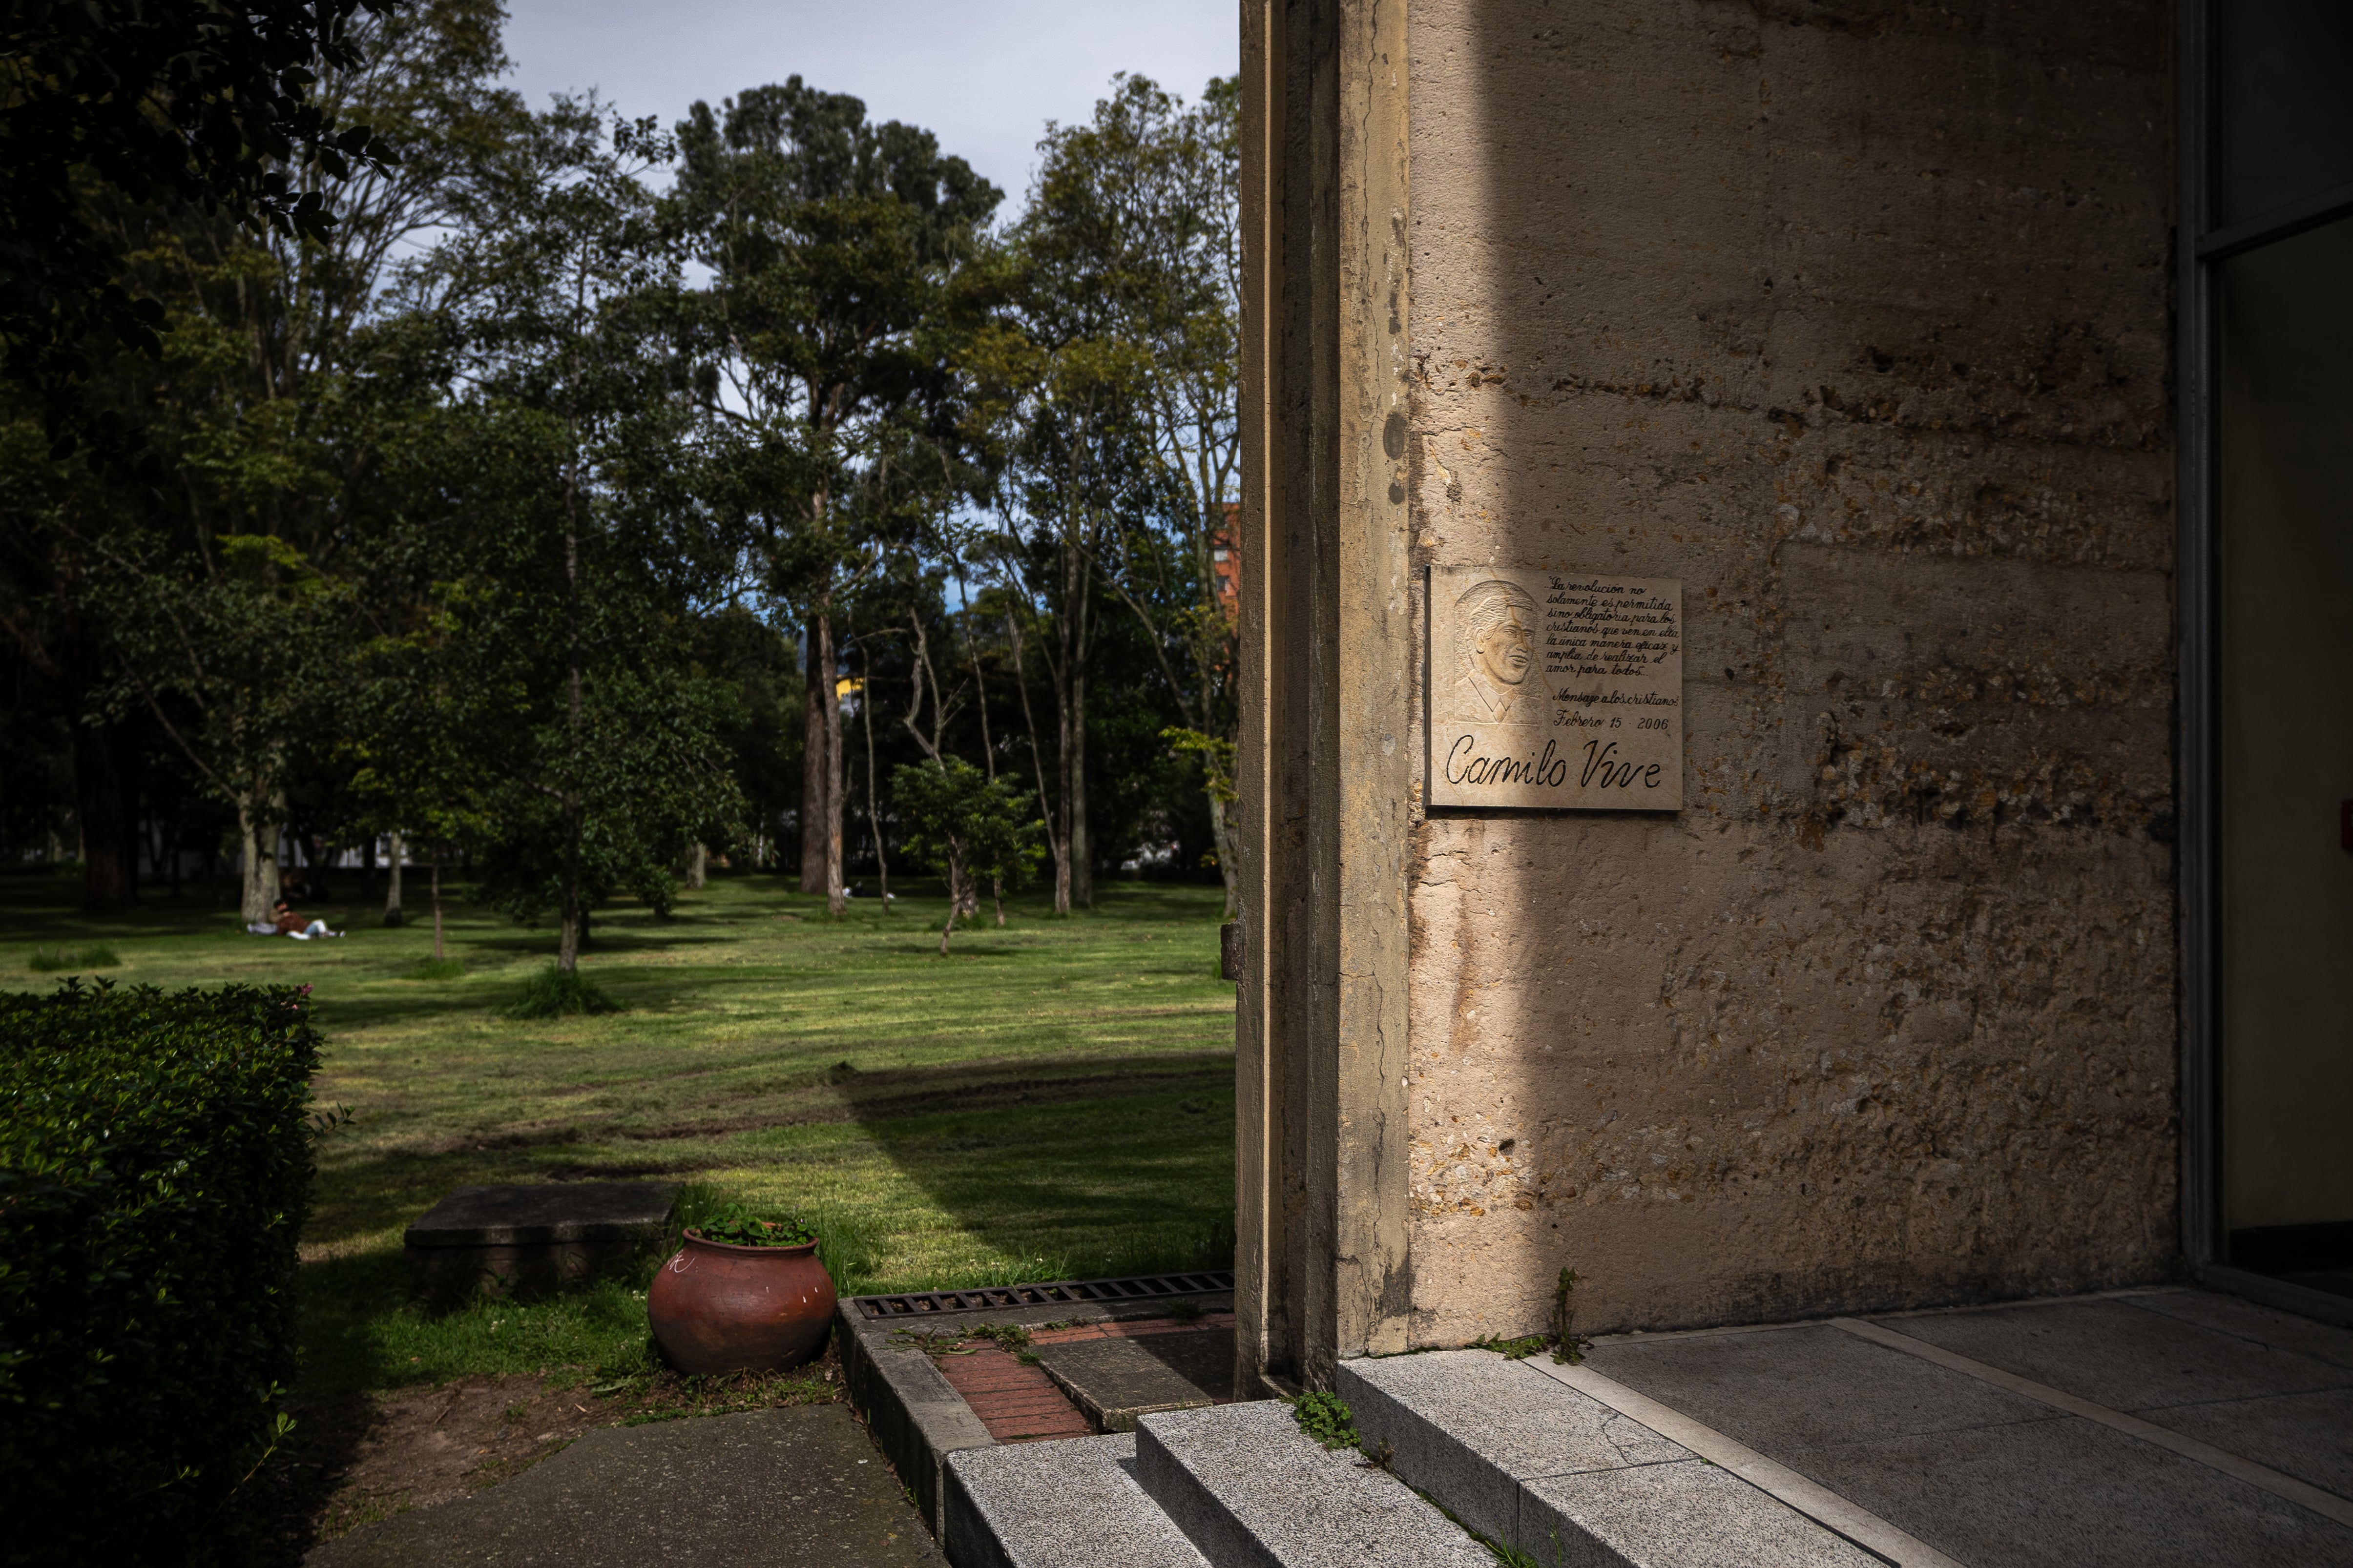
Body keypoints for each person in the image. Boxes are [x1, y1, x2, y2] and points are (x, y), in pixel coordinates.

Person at [1446, 578, 1540, 724]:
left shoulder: (1536, 709)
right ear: (1481, 640)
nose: (1524, 646)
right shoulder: (1452, 700)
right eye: (1511, 632)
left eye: (1528, 635)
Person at [271, 899, 342, 940]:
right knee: (291, 933)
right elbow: (274, 920)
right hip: (303, 931)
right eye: (284, 905)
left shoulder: (293, 915)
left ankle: (325, 934)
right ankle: (323, 934)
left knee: (319, 922)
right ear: (279, 907)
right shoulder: (278, 916)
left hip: (307, 928)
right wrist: (283, 916)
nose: (286, 907)